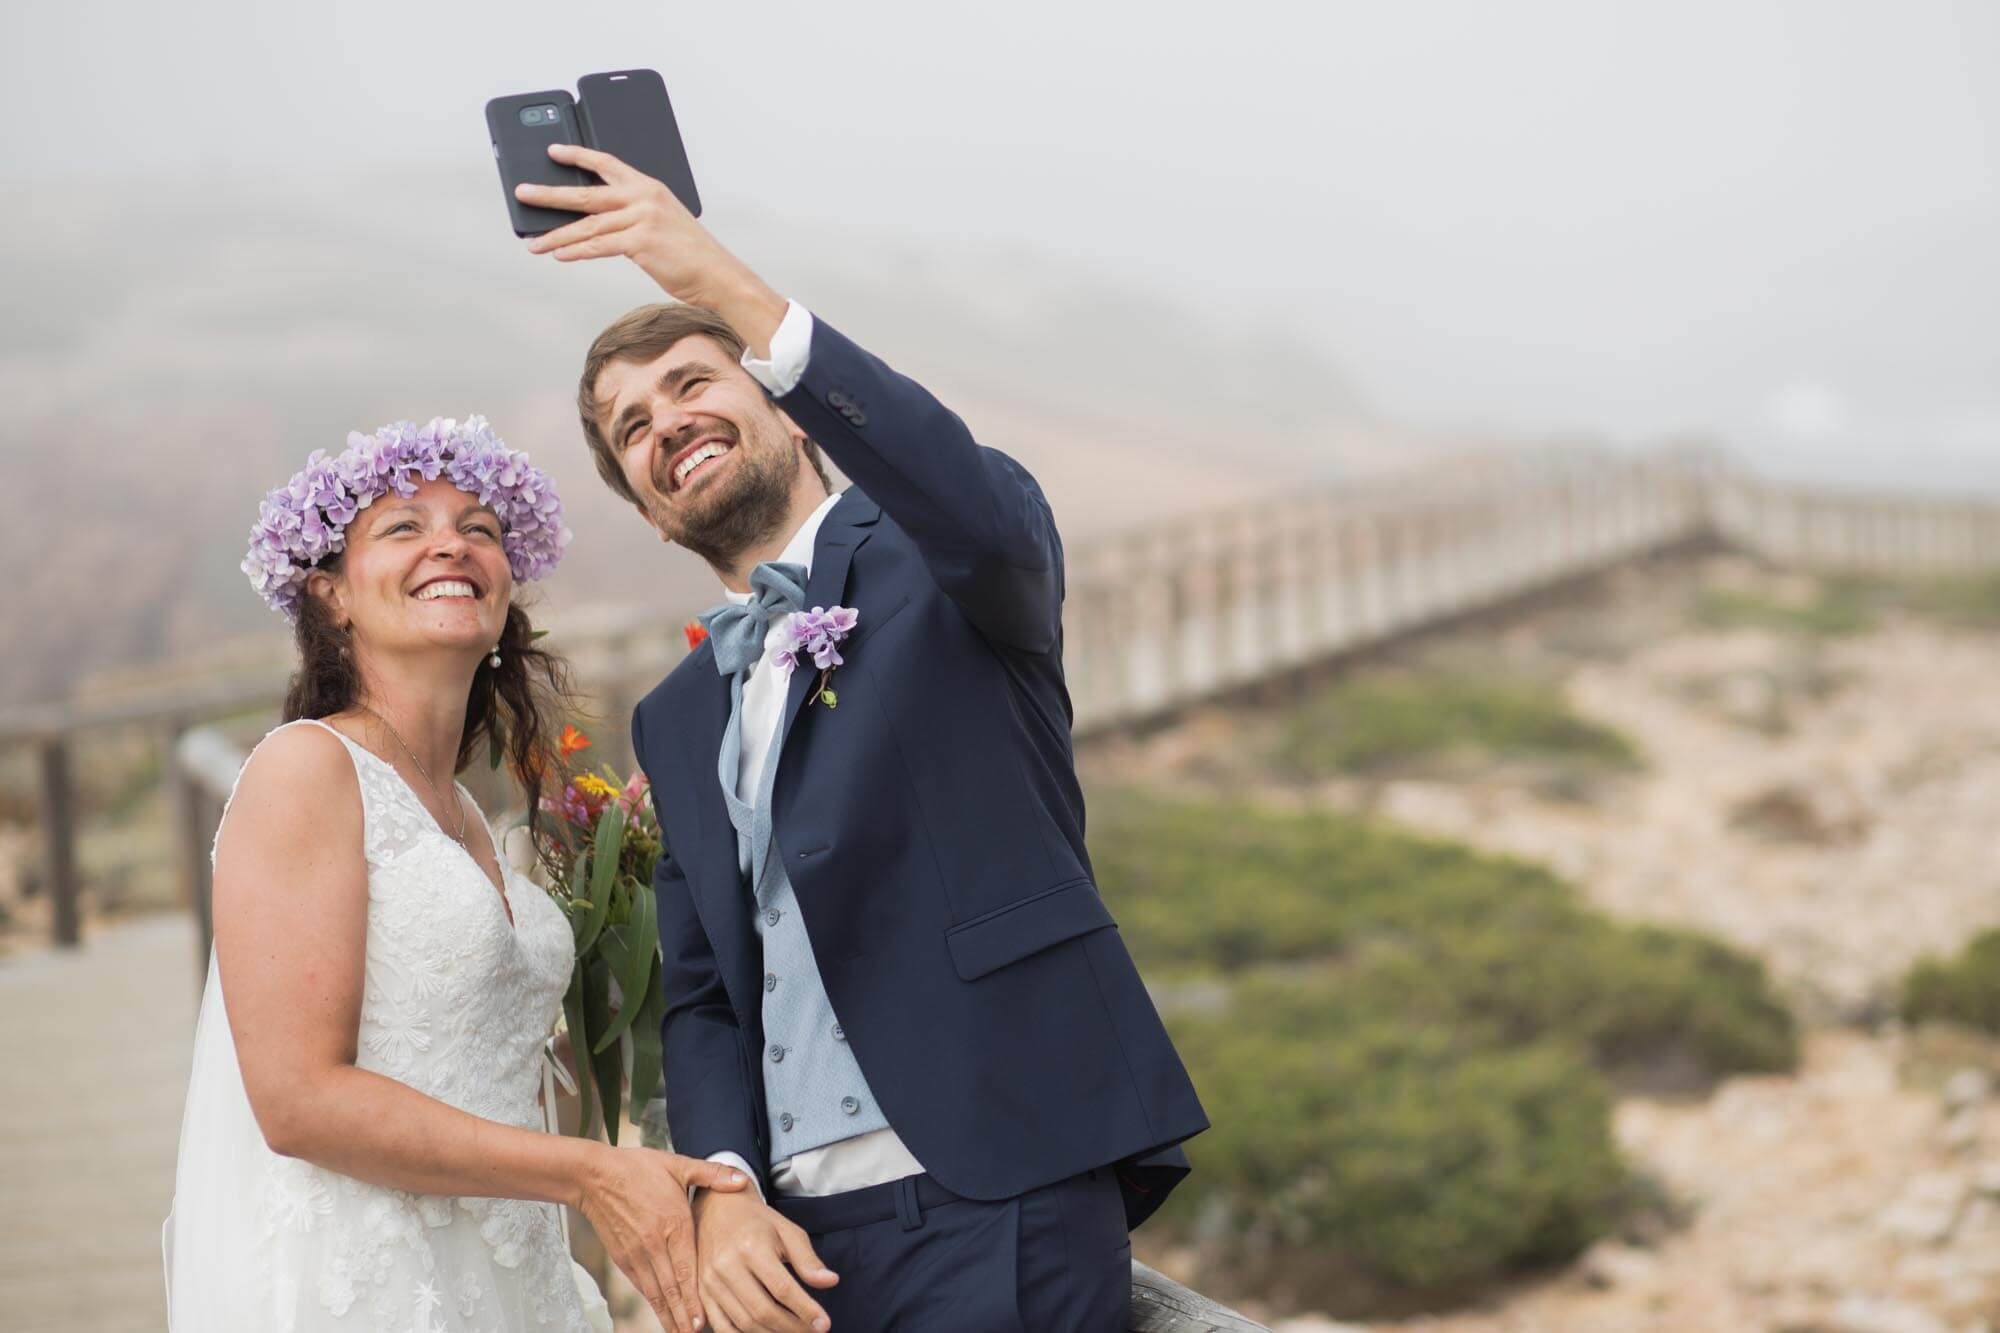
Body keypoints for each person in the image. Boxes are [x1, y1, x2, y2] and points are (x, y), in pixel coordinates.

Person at [522, 142, 1210, 1332]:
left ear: (782, 407)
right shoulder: (676, 713)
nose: (666, 423)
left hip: (1001, 1175)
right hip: (796, 1252)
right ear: (642, 503)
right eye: (632, 427)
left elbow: (961, 496)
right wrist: (726, 1189)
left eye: (693, 382)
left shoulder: (951, 557)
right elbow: (701, 998)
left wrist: (710, 272)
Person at [162, 417, 750, 1333]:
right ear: (332, 595)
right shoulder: (305, 770)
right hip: (375, 1282)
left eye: (479, 527)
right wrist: (594, 1174)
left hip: (510, 1274)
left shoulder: (467, 812)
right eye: (404, 527)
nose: (452, 542)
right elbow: (298, 1100)